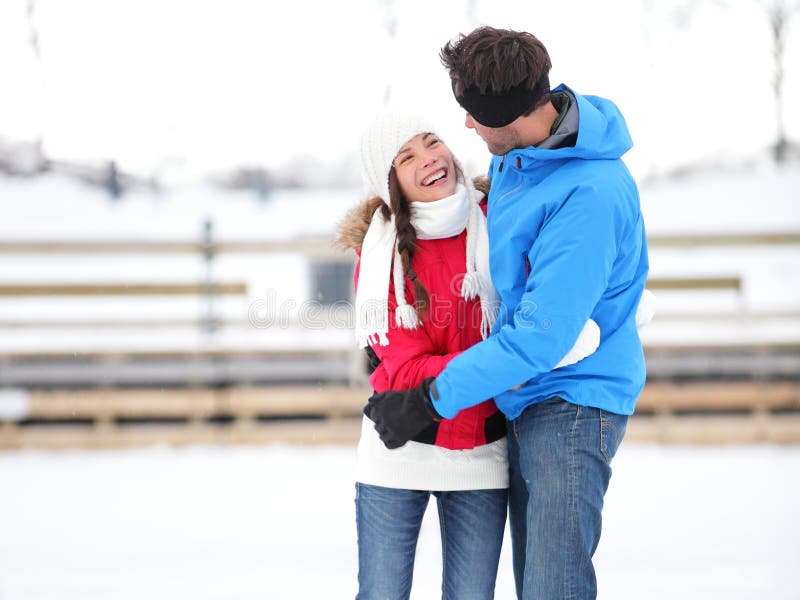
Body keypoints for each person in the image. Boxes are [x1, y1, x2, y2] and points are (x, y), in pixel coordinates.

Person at [365, 27, 652, 600]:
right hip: (526, 397)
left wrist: (428, 398)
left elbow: (536, 340)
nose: (465, 127)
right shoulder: (519, 162)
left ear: (508, 114)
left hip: (571, 404)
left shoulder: (586, 194)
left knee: (552, 589)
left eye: (472, 113)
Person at [338, 111, 603, 600]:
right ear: (389, 181)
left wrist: (516, 355)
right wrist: (507, 364)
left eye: (430, 142)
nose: (428, 160)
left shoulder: (500, 223)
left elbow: (539, 314)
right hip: (399, 444)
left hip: (482, 452)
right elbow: (408, 368)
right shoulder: (379, 255)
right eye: (406, 157)